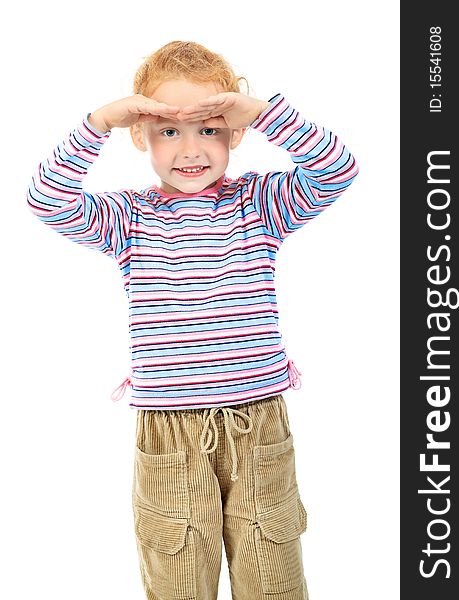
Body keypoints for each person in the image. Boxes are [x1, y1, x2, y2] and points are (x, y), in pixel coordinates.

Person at [27, 40, 359, 600]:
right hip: (170, 430)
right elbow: (49, 202)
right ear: (140, 135)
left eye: (210, 129)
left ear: (233, 131)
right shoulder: (126, 218)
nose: (191, 150)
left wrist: (261, 113)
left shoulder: (261, 205)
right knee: (178, 572)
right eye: (169, 131)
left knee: (271, 565)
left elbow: (336, 170)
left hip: (258, 422)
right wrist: (99, 123)